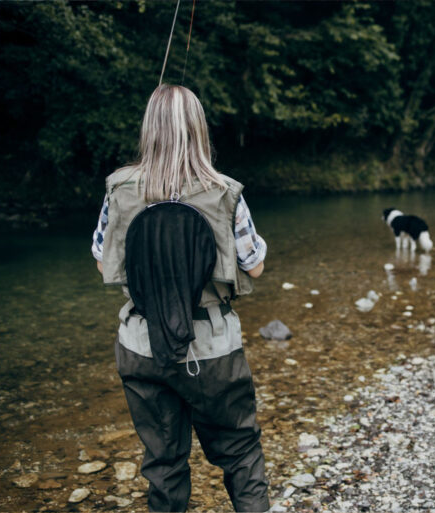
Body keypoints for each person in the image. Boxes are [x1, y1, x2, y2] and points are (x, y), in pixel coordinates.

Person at [91, 84, 270, 513]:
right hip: (212, 348)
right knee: (240, 453)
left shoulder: (119, 187)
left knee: (164, 463)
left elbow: (102, 261)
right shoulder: (225, 191)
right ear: (199, 129)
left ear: (149, 129)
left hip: (141, 343)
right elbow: (254, 266)